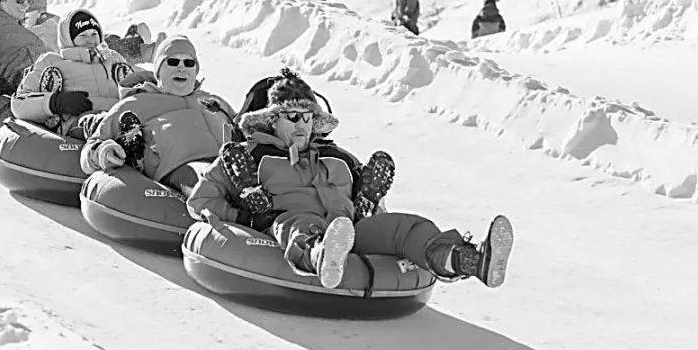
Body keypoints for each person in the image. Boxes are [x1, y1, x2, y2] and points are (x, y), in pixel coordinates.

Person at [187, 68, 514, 290]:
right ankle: (318, 255)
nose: (301, 125)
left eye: (308, 118)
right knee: (300, 224)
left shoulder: (338, 158)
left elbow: (373, 211)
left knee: (407, 226)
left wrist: (365, 205)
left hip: (349, 230)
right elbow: (201, 200)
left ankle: (465, 259)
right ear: (272, 121)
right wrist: (245, 215)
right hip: (289, 221)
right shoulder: (250, 157)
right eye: (292, 117)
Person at [80, 35, 236, 195]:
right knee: (208, 179)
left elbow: (240, 129)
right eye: (173, 62)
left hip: (230, 161)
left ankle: (251, 206)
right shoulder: (136, 102)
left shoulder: (213, 101)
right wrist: (103, 152)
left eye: (189, 63)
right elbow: (93, 145)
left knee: (245, 175)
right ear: (159, 72)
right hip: (182, 167)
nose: (181, 68)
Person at [11, 9, 155, 138]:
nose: (90, 40)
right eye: (83, 35)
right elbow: (19, 103)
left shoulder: (113, 58)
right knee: (96, 121)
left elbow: (136, 83)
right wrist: (55, 102)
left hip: (123, 118)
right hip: (80, 125)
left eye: (94, 34)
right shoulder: (52, 62)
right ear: (69, 39)